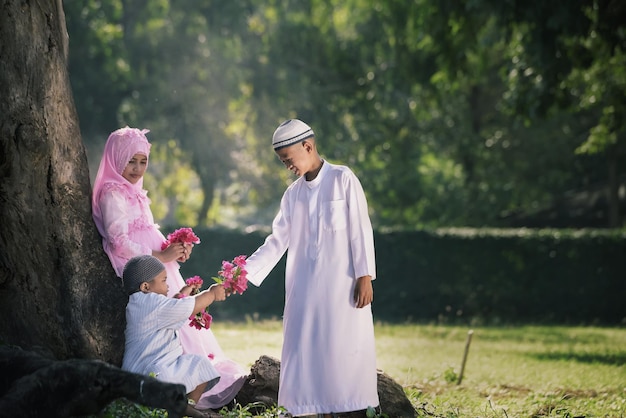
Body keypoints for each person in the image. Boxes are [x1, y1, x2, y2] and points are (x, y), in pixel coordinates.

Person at [91, 126, 246, 409]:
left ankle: (190, 374)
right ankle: (172, 377)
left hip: (158, 265)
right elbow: (118, 241)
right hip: (140, 266)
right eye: (130, 161)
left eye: (143, 161)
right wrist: (161, 255)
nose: (137, 168)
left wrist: (175, 251)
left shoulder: (136, 191)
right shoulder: (113, 193)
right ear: (116, 159)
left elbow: (147, 229)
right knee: (170, 314)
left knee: (177, 309)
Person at [243, 119, 380, 417]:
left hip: (343, 288)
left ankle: (350, 409)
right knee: (304, 354)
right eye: (283, 162)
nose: (288, 167)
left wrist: (364, 274)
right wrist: (241, 272)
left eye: (289, 159)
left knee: (343, 351)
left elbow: (360, 228)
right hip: (304, 290)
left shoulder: (343, 179)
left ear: (308, 146)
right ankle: (309, 410)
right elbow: (276, 242)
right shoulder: (292, 195)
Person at [121, 254, 225, 418]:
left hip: (148, 371)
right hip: (149, 372)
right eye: (163, 281)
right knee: (171, 371)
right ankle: (184, 407)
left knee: (199, 364)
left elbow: (169, 310)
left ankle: (185, 407)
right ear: (146, 287)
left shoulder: (142, 304)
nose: (167, 285)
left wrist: (180, 296)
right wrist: (211, 294)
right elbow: (186, 308)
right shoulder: (148, 303)